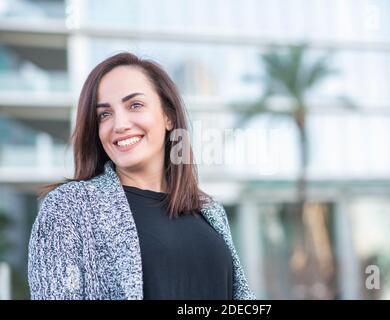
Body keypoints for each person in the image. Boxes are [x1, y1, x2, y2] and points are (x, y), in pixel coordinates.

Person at [28, 52, 255, 300]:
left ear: (168, 116)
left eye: (135, 105)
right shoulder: (69, 208)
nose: (120, 124)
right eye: (104, 114)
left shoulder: (209, 210)